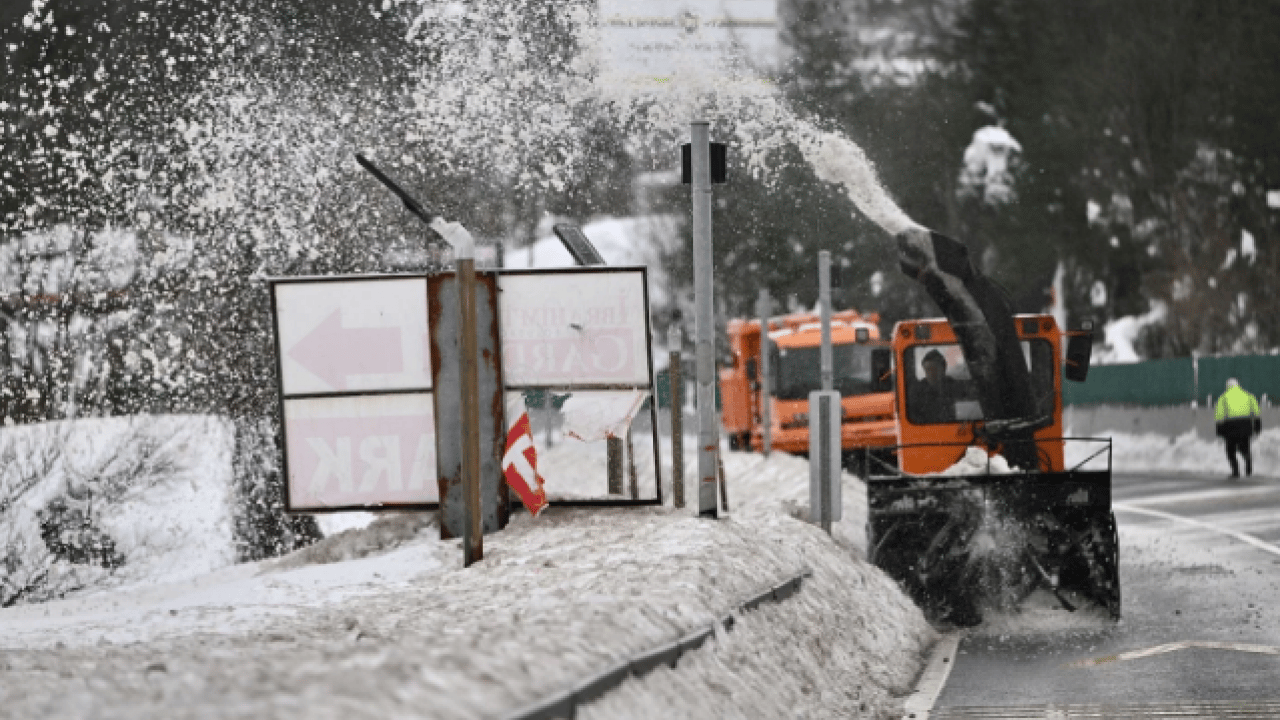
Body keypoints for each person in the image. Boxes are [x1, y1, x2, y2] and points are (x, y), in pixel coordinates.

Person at [1215, 378, 1261, 478]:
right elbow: (1256, 411)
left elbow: (1219, 415)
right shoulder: (1248, 395)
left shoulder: (1223, 397)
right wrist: (1257, 427)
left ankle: (1235, 472)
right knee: (1245, 447)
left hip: (1231, 426)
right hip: (1246, 424)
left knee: (1230, 450)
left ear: (1227, 386)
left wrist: (1219, 431)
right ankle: (1248, 467)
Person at [909, 349, 963, 424]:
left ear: (944, 369)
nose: (931, 374)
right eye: (928, 370)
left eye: (935, 369)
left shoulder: (954, 386)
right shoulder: (917, 391)